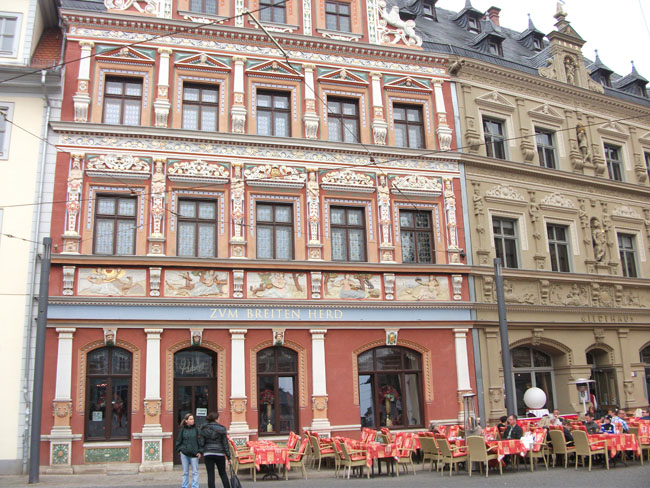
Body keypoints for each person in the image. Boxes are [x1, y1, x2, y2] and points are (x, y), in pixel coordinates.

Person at [200, 412, 232, 488]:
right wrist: (229, 457)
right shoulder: (222, 428)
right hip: (219, 453)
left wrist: (202, 451)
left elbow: (201, 443)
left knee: (210, 474)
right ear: (216, 419)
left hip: (208, 453)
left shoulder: (204, 428)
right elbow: (225, 444)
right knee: (223, 473)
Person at [175, 414, 201, 488]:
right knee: (185, 472)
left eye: (193, 419)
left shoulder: (196, 429)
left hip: (194, 453)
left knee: (195, 472)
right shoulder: (182, 430)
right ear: (186, 421)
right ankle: (184, 486)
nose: (192, 420)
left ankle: (195, 486)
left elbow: (200, 441)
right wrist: (180, 449)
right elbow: (179, 440)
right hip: (184, 453)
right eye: (190, 419)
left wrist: (200, 451)